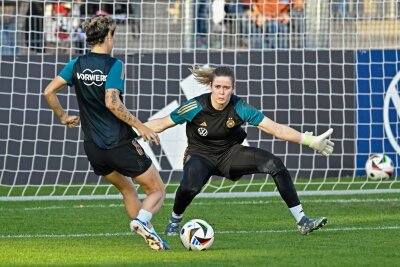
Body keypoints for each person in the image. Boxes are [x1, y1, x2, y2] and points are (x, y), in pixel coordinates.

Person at [144, 66, 334, 236]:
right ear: (211, 86)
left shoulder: (240, 107)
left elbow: (275, 129)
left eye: (226, 88)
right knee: (189, 188)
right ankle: (174, 221)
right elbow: (161, 124)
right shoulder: (195, 106)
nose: (221, 92)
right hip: (200, 155)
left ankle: (302, 221)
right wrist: (132, 129)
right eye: (218, 87)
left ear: (233, 89)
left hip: (230, 154)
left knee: (275, 164)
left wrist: (308, 140)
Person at [44, 15, 169, 251]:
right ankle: (142, 221)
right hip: (119, 143)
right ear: (109, 36)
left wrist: (62, 117)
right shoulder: (114, 65)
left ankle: (149, 234)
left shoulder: (76, 65)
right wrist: (140, 125)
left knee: (127, 189)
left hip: (93, 147)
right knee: (157, 190)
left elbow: (49, 91)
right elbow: (112, 102)